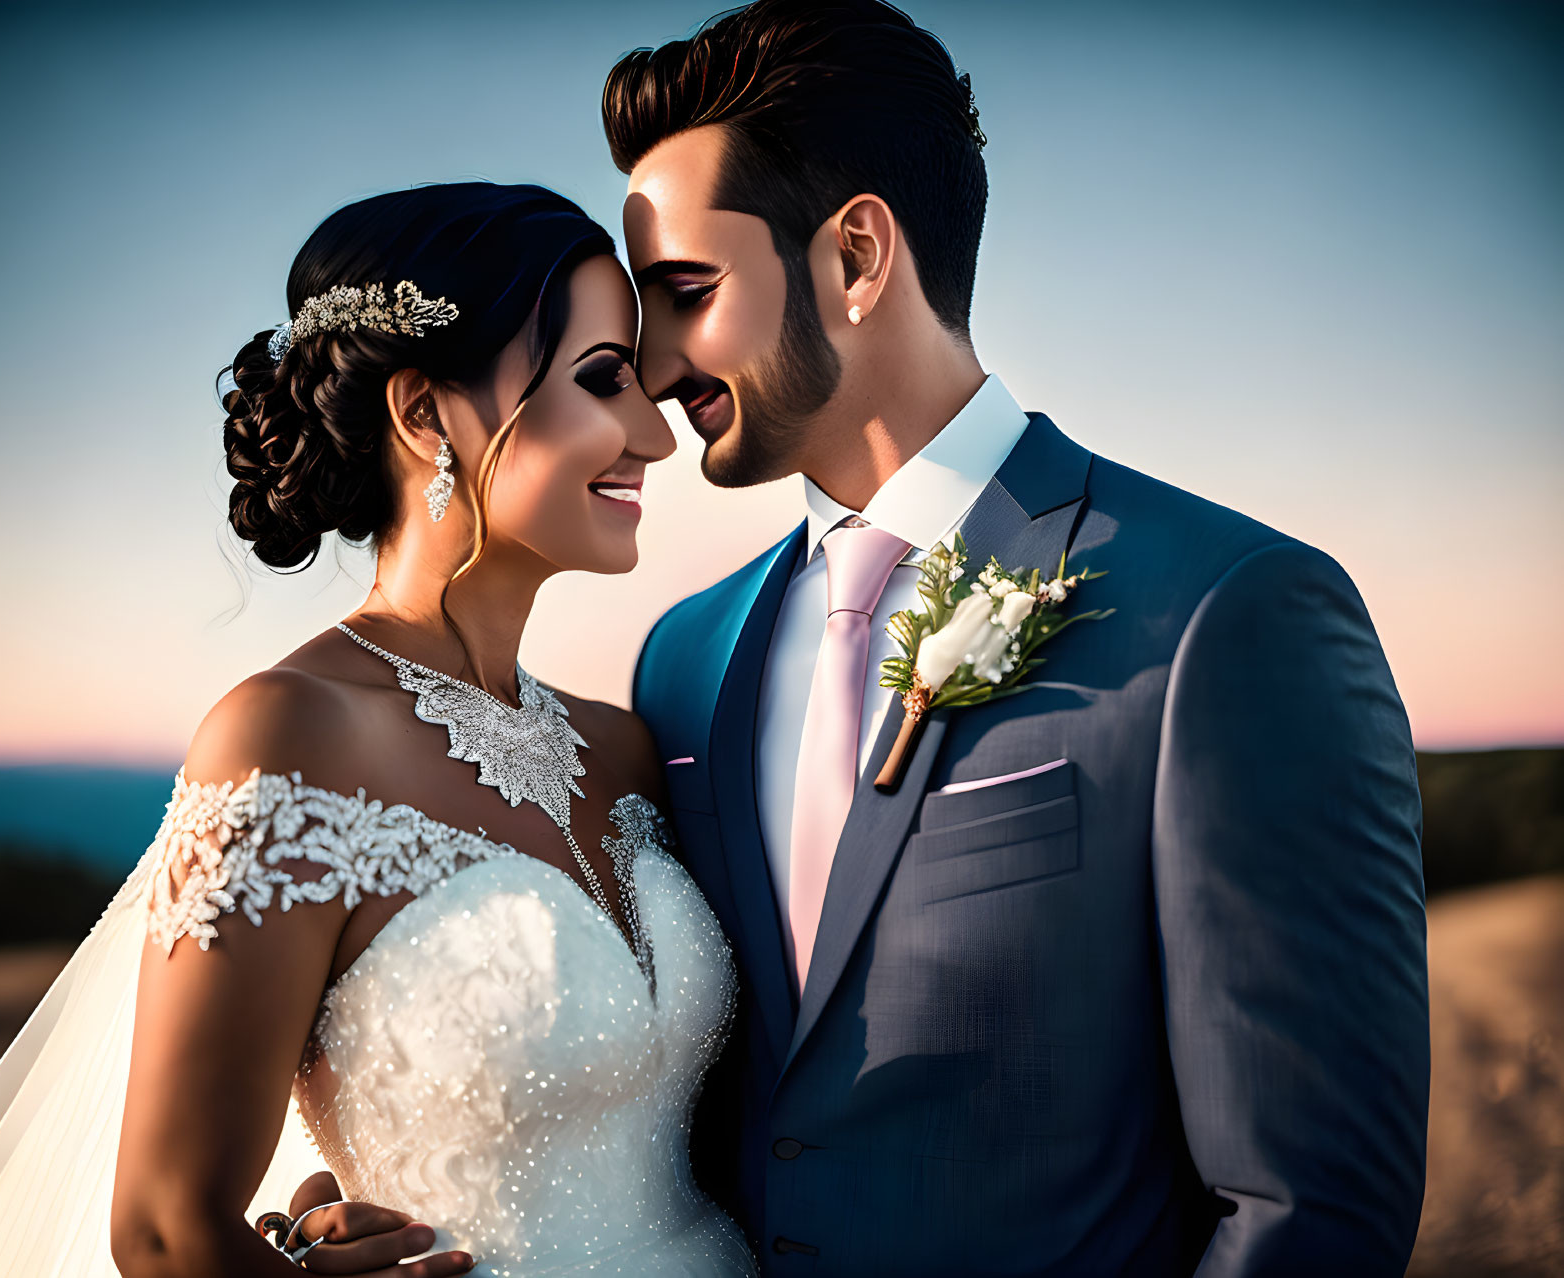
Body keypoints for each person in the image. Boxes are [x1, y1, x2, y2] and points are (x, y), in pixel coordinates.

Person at [306, 1, 1431, 1273]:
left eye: (685, 292)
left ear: (853, 257)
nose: (656, 364)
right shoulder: (682, 663)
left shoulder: (1229, 614)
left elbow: (1312, 1209)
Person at [0, 182, 759, 1277]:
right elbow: (169, 1228)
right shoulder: (287, 737)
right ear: (423, 415)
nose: (652, 432)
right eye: (602, 380)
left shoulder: (626, 746)